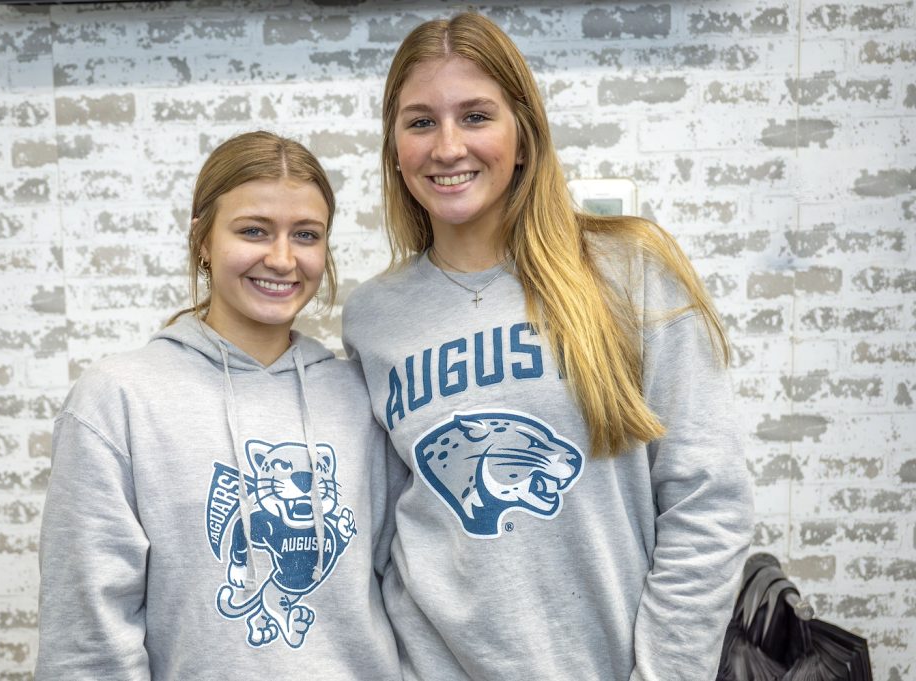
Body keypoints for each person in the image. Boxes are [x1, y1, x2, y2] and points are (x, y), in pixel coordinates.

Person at [342, 12, 754, 681]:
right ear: (394, 148)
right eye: (421, 122)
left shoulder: (628, 269)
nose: (447, 147)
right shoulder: (372, 318)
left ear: (524, 134)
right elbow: (384, 532)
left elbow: (708, 497)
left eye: (476, 116)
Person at [37, 131, 403, 680]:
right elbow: (86, 636)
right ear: (202, 240)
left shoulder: (361, 395)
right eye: (253, 230)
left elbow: (404, 590)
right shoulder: (119, 398)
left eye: (305, 235)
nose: (282, 259)